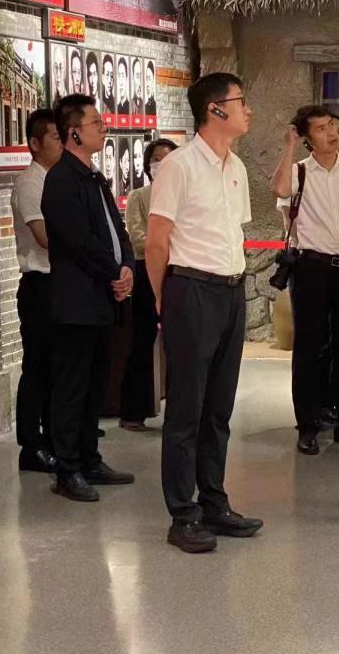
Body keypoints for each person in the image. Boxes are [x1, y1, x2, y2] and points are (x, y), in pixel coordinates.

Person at [145, 72, 263, 553]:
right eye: (240, 101)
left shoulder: (236, 166)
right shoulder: (179, 166)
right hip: (190, 288)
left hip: (230, 290)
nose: (248, 110)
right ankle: (183, 512)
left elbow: (234, 231)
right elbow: (157, 240)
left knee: (219, 406)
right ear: (215, 110)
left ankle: (214, 500)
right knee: (187, 409)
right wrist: (163, 298)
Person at [40, 94, 136, 501]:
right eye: (96, 122)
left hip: (103, 298)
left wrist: (127, 266)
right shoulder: (61, 180)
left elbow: (118, 231)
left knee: (96, 384)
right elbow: (78, 241)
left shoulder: (95, 177)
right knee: (72, 387)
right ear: (74, 133)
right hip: (76, 302)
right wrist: (115, 272)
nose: (104, 127)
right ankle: (67, 469)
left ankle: (89, 458)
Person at [270, 105, 339, 456]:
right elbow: (279, 189)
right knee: (309, 347)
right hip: (312, 267)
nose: (331, 133)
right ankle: (308, 425)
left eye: (332, 126)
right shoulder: (299, 170)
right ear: (307, 138)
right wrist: (288, 147)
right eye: (321, 128)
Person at [11, 109, 62, 473]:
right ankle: (31, 444)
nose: (61, 143)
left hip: (59, 283)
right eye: (55, 138)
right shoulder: (31, 182)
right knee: (38, 367)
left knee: (57, 367)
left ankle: (55, 437)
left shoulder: (57, 179)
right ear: (35, 143)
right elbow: (45, 238)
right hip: (39, 283)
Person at [120, 138, 177, 432]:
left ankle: (179, 413)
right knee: (142, 342)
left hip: (178, 273)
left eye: (167, 158)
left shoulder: (184, 196)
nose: (161, 163)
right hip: (146, 272)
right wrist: (167, 245)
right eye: (156, 159)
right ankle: (133, 411)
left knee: (180, 345)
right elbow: (138, 237)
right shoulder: (139, 196)